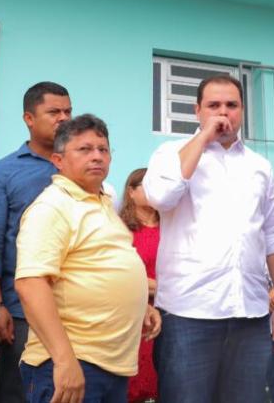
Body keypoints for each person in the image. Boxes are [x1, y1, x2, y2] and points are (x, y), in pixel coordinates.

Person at [144, 74, 274, 403]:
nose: (223, 113)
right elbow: (161, 196)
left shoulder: (260, 167)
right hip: (188, 315)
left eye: (232, 105)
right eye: (213, 106)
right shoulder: (170, 154)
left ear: (243, 110)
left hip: (251, 315)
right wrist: (203, 139)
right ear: (197, 110)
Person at [15, 116, 161, 403]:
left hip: (110, 366)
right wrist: (64, 361)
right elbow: (31, 286)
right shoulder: (52, 206)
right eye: (84, 149)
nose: (97, 156)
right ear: (58, 160)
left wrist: (139, 303)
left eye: (103, 149)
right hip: (71, 362)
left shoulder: (103, 203)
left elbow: (98, 267)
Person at [0, 81, 72, 402]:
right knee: (21, 391)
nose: (63, 118)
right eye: (54, 112)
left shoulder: (80, 168)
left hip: (77, 308)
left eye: (68, 111)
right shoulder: (4, 172)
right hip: (23, 310)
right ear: (29, 119)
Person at [117, 168, 161, 403]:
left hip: (170, 313)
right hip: (135, 316)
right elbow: (121, 274)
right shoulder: (121, 229)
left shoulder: (172, 227)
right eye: (147, 184)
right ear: (131, 192)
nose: (155, 190)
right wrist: (168, 287)